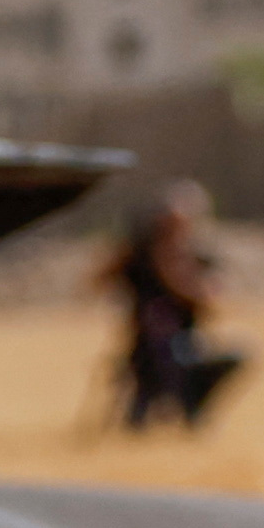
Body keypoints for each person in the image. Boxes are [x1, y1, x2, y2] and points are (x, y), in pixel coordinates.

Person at [102, 181, 250, 433]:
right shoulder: (140, 256)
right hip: (148, 348)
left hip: (186, 342)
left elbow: (211, 299)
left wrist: (183, 274)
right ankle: (160, 408)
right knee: (164, 353)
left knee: (233, 351)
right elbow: (98, 279)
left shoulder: (194, 257)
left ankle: (191, 407)